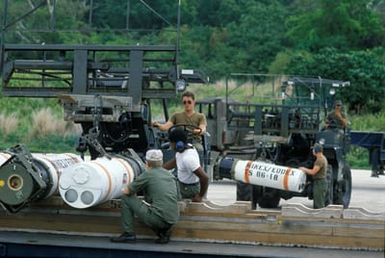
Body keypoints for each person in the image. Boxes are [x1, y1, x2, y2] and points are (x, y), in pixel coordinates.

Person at [110, 149, 179, 244]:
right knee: (155, 205)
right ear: (161, 161)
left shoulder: (148, 174)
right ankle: (163, 232)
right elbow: (177, 197)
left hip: (157, 218)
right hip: (173, 219)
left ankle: (128, 233)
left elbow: (127, 191)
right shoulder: (169, 175)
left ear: (147, 163)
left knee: (126, 198)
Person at [163, 128, 209, 202]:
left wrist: (200, 196)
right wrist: (158, 169)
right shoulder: (182, 150)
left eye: (171, 143)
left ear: (177, 143)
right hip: (182, 185)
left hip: (188, 189)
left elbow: (205, 177)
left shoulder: (188, 158)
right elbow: (175, 162)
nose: (170, 145)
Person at [299, 144, 328, 209]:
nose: (312, 151)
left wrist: (303, 169)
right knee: (318, 202)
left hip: (319, 183)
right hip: (320, 182)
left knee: (319, 204)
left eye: (313, 150)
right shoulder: (323, 158)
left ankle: (321, 218)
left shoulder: (319, 160)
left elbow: (313, 172)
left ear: (316, 151)